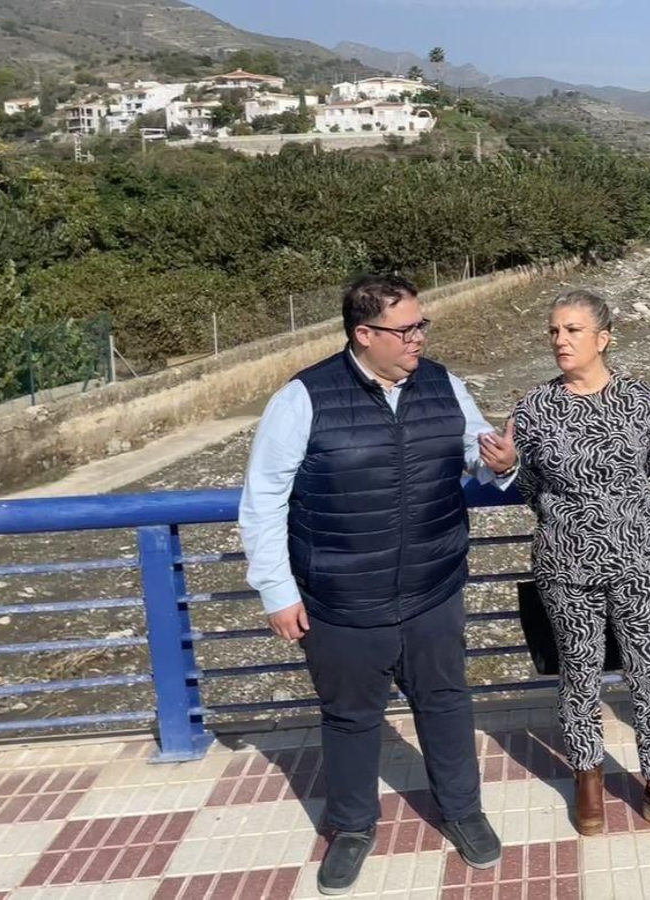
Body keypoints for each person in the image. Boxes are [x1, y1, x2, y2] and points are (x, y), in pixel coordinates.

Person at [239, 274, 516, 896]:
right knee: (350, 718)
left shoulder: (444, 384)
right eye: (407, 329)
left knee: (446, 703)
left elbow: (479, 455)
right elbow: (262, 501)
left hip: (434, 586)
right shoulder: (302, 398)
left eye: (422, 326)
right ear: (364, 335)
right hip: (338, 597)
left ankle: (463, 812)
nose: (419, 338)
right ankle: (353, 827)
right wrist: (277, 591)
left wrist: (502, 463)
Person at [510, 289, 650, 844]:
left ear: (603, 338)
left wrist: (613, 517)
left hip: (637, 558)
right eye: (553, 331)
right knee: (579, 670)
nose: (560, 341)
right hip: (564, 562)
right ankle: (588, 776)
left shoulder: (642, 401)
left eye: (572, 330)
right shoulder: (532, 409)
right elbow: (529, 488)